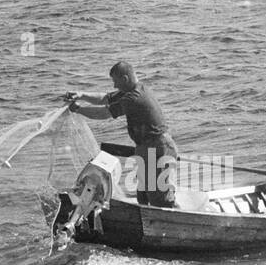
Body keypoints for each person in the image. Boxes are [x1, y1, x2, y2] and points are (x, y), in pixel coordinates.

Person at [63, 62, 179, 208]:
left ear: (125, 78)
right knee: (143, 195)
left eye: (115, 82)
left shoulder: (135, 97)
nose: (114, 86)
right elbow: (105, 98)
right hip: (147, 148)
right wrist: (81, 95)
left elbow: (105, 112)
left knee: (161, 199)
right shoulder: (131, 90)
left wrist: (79, 109)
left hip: (158, 148)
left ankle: (177, 224)